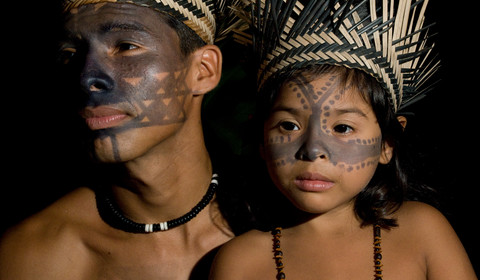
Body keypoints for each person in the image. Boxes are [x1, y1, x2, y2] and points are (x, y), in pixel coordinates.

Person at [210, 0, 477, 279]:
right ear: (262, 139)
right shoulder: (241, 263)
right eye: (289, 125)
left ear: (387, 143)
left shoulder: (422, 231)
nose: (313, 150)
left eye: (343, 128)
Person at [0, 0, 251, 279]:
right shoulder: (36, 256)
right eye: (70, 53)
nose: (87, 76)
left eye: (126, 47)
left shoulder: (277, 221)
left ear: (203, 70)